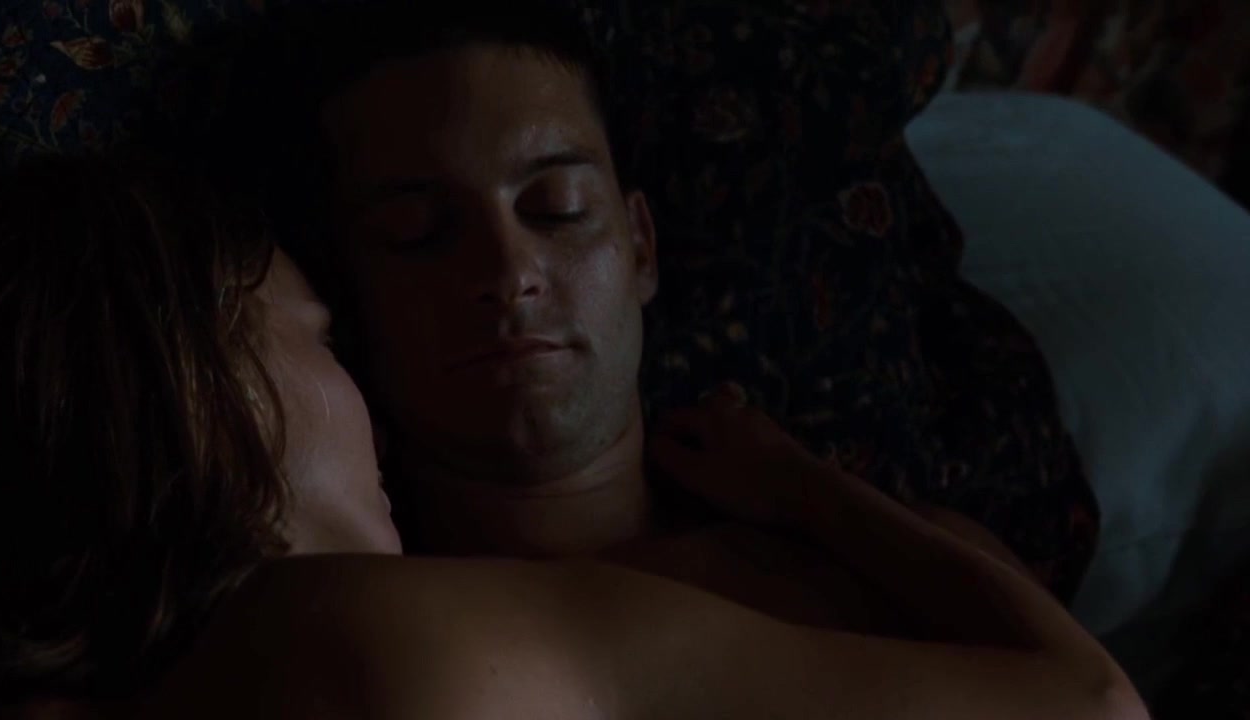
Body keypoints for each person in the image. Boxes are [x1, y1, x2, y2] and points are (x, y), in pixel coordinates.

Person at [0, 150, 1144, 719]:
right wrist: (810, 489)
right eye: (316, 333)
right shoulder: (374, 636)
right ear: (198, 378)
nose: (359, 391)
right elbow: (1089, 709)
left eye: (558, 208)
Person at [234, 0, 1068, 629]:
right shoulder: (340, 633)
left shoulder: (896, 566)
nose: (509, 272)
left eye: (557, 208)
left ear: (640, 246)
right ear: (343, 294)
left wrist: (821, 501)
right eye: (416, 232)